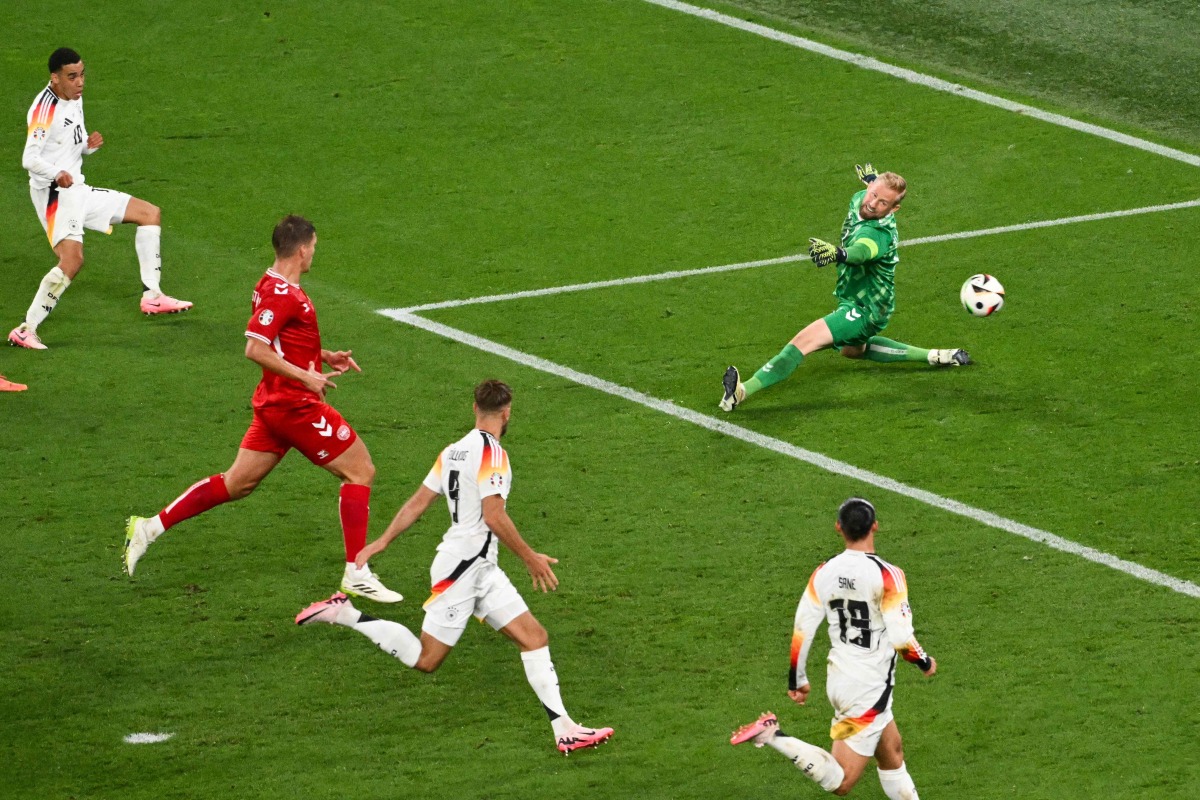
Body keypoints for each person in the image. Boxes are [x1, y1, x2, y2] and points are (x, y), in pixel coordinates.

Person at [295, 379, 614, 755]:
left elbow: (417, 502)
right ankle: (344, 614)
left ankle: (565, 730)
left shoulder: (453, 451)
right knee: (427, 659)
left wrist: (382, 540)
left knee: (534, 637)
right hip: (463, 568)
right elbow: (494, 516)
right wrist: (530, 557)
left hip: (479, 567)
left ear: (474, 409)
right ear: (507, 412)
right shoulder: (492, 454)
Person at [123, 215, 400, 602]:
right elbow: (254, 348)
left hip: (274, 404)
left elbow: (280, 340)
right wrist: (306, 378)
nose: (314, 253)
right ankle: (356, 571)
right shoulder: (282, 294)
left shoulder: (270, 282)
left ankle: (149, 528)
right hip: (294, 406)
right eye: (314, 247)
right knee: (360, 470)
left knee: (238, 483)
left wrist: (323, 356)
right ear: (302, 249)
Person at [730, 498, 936, 798]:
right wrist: (924, 661)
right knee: (842, 781)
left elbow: (804, 626)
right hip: (868, 687)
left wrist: (797, 680)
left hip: (839, 676)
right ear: (875, 526)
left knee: (891, 751)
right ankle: (772, 734)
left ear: (839, 528)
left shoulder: (825, 572)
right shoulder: (887, 575)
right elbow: (902, 639)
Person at [720, 164, 969, 412]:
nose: (873, 204)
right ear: (869, 186)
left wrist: (838, 253)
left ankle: (740, 393)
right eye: (874, 194)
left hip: (867, 307)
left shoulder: (878, 233)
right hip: (856, 297)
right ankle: (937, 355)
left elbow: (861, 252)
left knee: (803, 342)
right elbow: (873, 192)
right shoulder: (861, 197)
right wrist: (873, 179)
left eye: (884, 203)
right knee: (853, 351)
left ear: (895, 209)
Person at [9, 47, 191, 351]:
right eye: (72, 76)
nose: (80, 82)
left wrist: (87, 148)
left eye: (82, 74)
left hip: (78, 188)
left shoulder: (74, 98)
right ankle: (27, 329)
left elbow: (67, 144)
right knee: (72, 260)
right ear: (55, 78)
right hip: (55, 194)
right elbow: (30, 158)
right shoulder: (44, 110)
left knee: (149, 213)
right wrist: (57, 173)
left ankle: (153, 296)